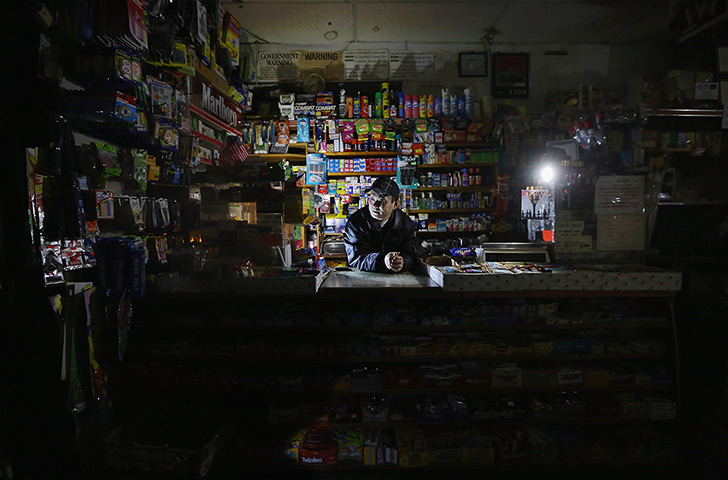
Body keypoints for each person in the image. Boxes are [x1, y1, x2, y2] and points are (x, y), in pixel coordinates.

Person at [343, 177, 419, 273]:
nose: (374, 205)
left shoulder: (405, 223)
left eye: (381, 202)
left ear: (395, 204)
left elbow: (412, 255)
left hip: (395, 280)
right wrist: (383, 261)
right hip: (361, 277)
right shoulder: (356, 222)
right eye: (372, 199)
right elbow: (357, 258)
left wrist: (403, 262)